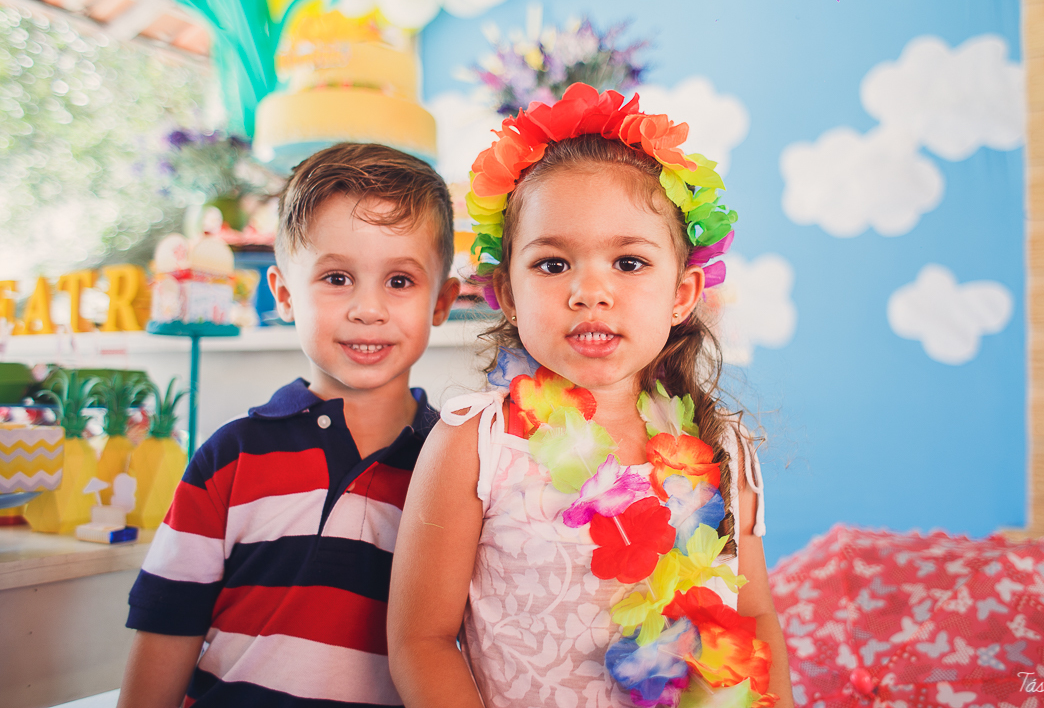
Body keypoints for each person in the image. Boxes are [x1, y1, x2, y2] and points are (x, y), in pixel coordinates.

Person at [388, 84, 793, 708]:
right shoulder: (475, 444)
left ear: (683, 294)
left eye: (629, 263)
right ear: (509, 292)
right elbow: (421, 640)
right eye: (553, 264)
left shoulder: (720, 445)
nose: (590, 291)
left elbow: (755, 618)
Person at [118, 142, 460, 708]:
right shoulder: (230, 457)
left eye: (400, 281)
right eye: (336, 278)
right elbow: (166, 627)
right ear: (283, 295)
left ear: (441, 302)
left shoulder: (457, 465)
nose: (368, 308)